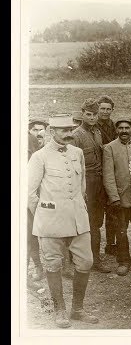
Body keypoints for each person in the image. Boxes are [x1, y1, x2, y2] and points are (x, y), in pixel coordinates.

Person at [28, 114, 98, 328]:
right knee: (53, 263)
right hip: (51, 221)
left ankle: (77, 309)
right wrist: (45, 213)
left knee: (86, 261)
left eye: (70, 129)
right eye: (63, 130)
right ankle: (60, 310)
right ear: (52, 132)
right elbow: (30, 192)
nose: (69, 134)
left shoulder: (77, 153)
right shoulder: (39, 157)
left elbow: (82, 185)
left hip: (77, 218)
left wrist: (78, 207)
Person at [103, 118, 131, 278]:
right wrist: (114, 198)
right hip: (120, 199)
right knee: (121, 232)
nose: (124, 131)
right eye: (121, 128)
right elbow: (108, 176)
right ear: (117, 130)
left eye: (127, 128)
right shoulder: (110, 148)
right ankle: (124, 262)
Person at [72, 99, 110, 273]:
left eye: (95, 114)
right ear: (82, 114)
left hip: (99, 183)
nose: (93, 117)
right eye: (89, 114)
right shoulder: (76, 135)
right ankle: (80, 259)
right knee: (82, 222)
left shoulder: (97, 132)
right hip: (85, 182)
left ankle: (95, 259)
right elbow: (74, 166)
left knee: (96, 222)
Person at [27, 118, 48, 290]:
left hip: (45, 199)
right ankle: (35, 268)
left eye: (42, 130)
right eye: (35, 130)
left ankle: (46, 267)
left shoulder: (47, 152)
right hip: (28, 200)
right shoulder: (26, 151)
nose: (38, 134)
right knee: (29, 236)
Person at [96, 95, 118, 257]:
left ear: (112, 110)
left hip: (111, 171)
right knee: (97, 213)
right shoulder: (94, 126)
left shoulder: (115, 126)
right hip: (97, 173)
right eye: (102, 108)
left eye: (108, 109)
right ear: (98, 109)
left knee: (113, 212)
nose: (105, 111)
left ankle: (111, 244)